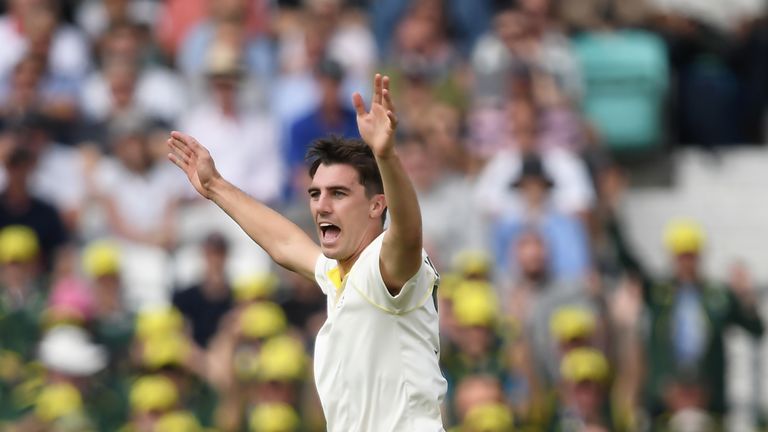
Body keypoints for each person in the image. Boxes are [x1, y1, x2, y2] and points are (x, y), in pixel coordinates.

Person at [167, 73, 446, 431]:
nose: (321, 206)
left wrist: (386, 155)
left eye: (339, 194)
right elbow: (284, 244)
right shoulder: (338, 275)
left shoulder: (387, 265)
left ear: (377, 206)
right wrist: (215, 186)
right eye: (315, 194)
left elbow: (408, 232)